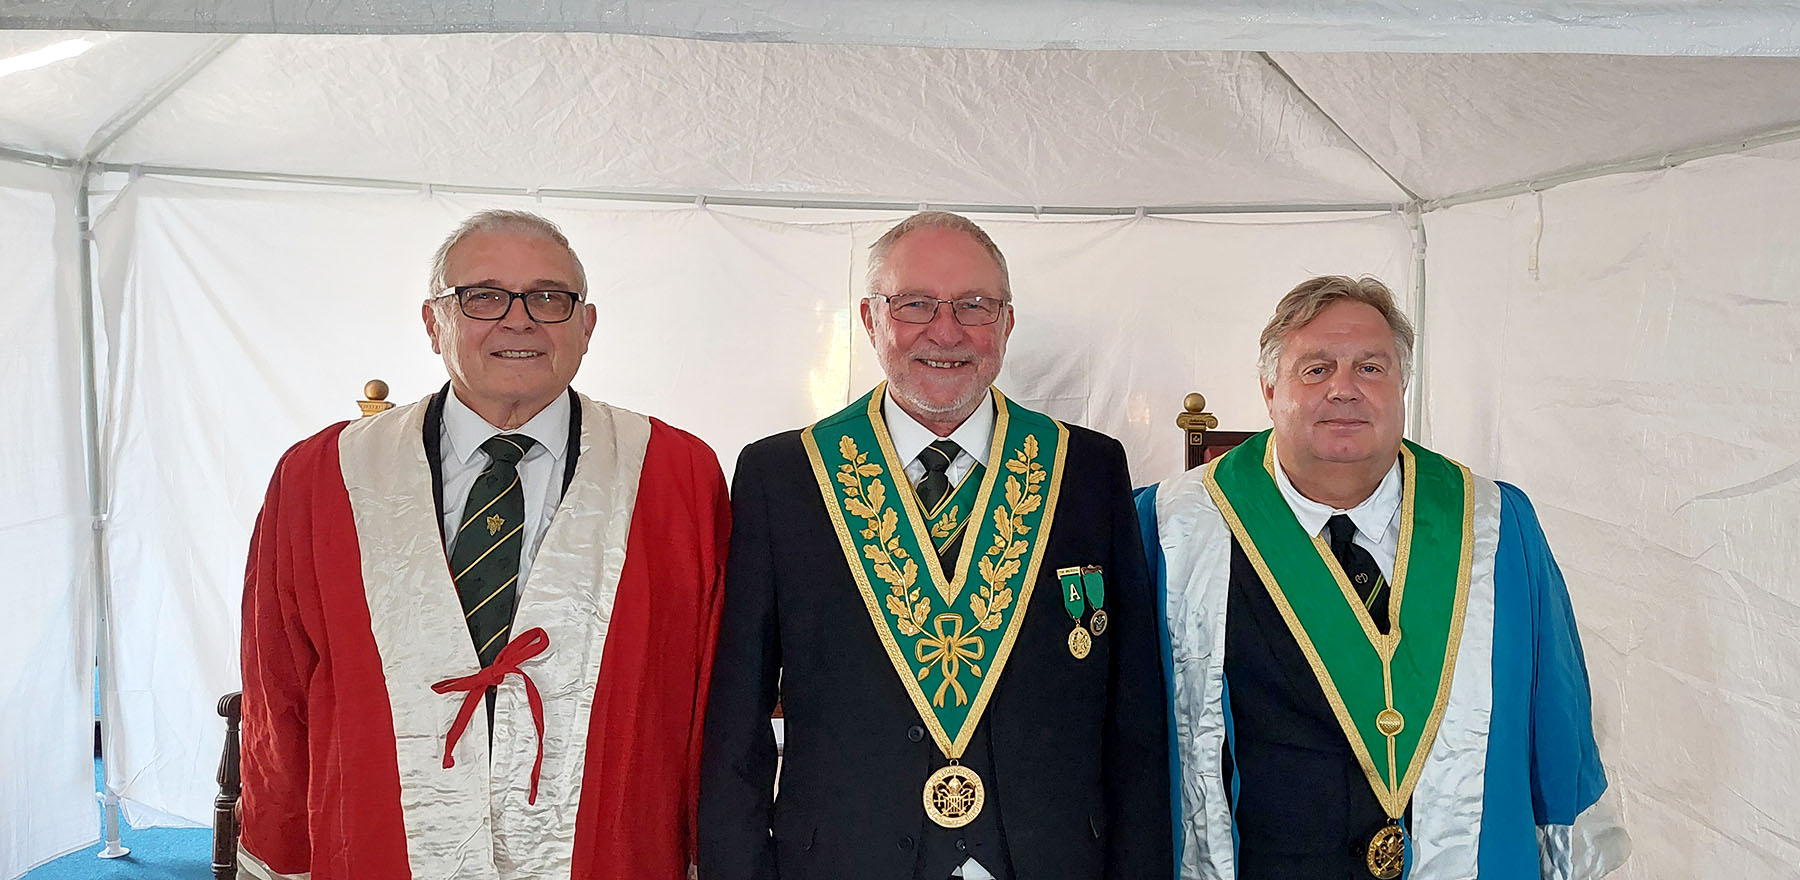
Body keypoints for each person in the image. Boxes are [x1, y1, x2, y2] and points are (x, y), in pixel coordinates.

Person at [237, 210, 729, 880]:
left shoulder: (676, 476)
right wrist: (282, 857)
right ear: (433, 321)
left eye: (549, 297)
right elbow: (279, 688)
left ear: (586, 325)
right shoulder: (323, 478)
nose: (518, 319)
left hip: (609, 851)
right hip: (382, 846)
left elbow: (711, 702)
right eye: (483, 297)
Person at [699, 211, 1171, 880]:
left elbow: (1135, 720)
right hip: (839, 860)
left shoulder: (1086, 469)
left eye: (974, 306)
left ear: (1007, 323)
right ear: (870, 319)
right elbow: (735, 721)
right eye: (915, 304)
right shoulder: (784, 474)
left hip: (1053, 858)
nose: (946, 332)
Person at [1138, 276, 1628, 879]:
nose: (1344, 390)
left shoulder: (1495, 527)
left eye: (1371, 367)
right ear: (1269, 390)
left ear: (1402, 385)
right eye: (1315, 369)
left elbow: (1558, 714)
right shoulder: (1173, 528)